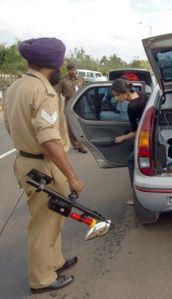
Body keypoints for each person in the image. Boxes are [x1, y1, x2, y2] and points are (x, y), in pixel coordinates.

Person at [4, 38, 84, 293]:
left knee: (53, 216)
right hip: (44, 165)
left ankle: (55, 262)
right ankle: (41, 279)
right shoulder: (44, 91)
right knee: (43, 224)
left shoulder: (16, 87)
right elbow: (49, 140)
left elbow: (9, 125)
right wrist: (71, 175)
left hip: (25, 160)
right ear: (55, 63)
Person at [110, 79, 148, 205]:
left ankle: (136, 196)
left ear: (124, 92)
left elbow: (135, 131)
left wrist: (122, 138)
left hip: (146, 135)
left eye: (116, 95)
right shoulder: (141, 95)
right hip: (152, 129)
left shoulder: (131, 107)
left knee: (131, 160)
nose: (115, 98)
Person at [55, 63, 87, 153]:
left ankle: (80, 144)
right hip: (69, 103)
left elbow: (85, 91)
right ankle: (75, 144)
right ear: (68, 70)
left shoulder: (81, 80)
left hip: (80, 104)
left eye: (74, 70)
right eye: (71, 70)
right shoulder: (63, 81)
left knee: (80, 124)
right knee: (71, 125)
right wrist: (58, 105)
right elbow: (57, 93)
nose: (73, 71)